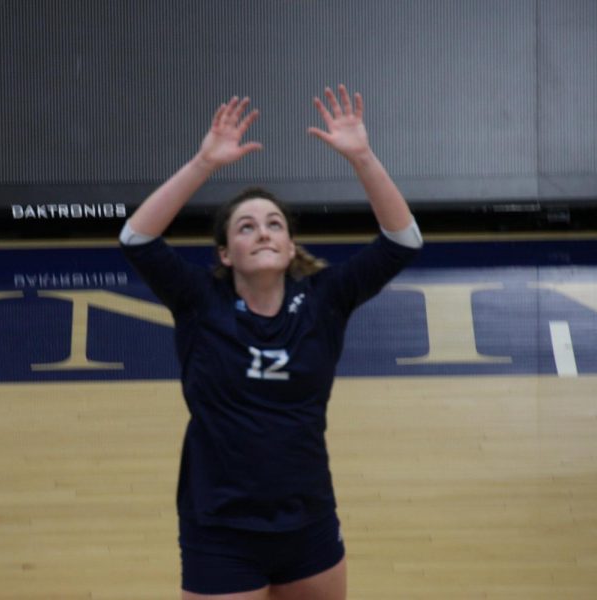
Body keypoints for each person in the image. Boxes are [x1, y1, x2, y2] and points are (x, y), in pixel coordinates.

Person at [119, 85, 423, 599]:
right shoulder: (199, 301)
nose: (262, 233)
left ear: (289, 245)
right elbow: (137, 239)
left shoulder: (325, 299)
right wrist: (202, 163)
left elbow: (403, 241)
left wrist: (363, 157)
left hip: (308, 522)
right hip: (220, 529)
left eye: (274, 224)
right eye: (246, 227)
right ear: (224, 254)